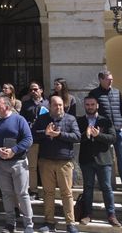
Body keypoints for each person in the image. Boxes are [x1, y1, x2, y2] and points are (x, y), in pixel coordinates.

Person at [33, 96, 81, 233]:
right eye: (55, 105)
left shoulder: (70, 119)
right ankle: (49, 222)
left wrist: (59, 135)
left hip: (64, 162)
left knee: (66, 193)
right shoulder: (42, 119)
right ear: (50, 106)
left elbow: (77, 137)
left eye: (60, 105)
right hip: (46, 161)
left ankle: (70, 223)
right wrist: (45, 133)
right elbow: (33, 135)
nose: (59, 107)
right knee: (48, 193)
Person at [0, 95, 34, 233]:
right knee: (7, 194)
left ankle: (28, 224)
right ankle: (10, 223)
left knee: (22, 194)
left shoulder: (19, 120)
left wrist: (14, 150)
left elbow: (28, 139)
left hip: (18, 162)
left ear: (7, 106)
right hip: (0, 163)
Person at [77, 96, 121, 227]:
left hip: (103, 160)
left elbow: (113, 138)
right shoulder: (80, 121)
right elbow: (76, 137)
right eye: (87, 104)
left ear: (97, 106)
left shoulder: (105, 121)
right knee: (88, 188)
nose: (90, 107)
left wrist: (98, 135)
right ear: (84, 106)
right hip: (86, 160)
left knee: (107, 188)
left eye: (92, 104)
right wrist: (86, 135)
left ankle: (111, 215)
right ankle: (87, 214)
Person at [87, 70, 122, 189]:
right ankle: (107, 184)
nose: (110, 81)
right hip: (104, 131)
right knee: (105, 158)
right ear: (101, 79)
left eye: (111, 79)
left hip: (118, 129)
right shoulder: (94, 93)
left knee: (121, 157)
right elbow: (92, 111)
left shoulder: (117, 92)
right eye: (108, 79)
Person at [21, 80, 49, 199]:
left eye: (35, 89)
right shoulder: (26, 104)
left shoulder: (48, 103)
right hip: (32, 138)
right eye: (31, 90)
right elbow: (22, 120)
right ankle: (33, 190)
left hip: (47, 139)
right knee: (32, 166)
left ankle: (48, 189)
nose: (33, 91)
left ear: (41, 90)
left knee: (46, 165)